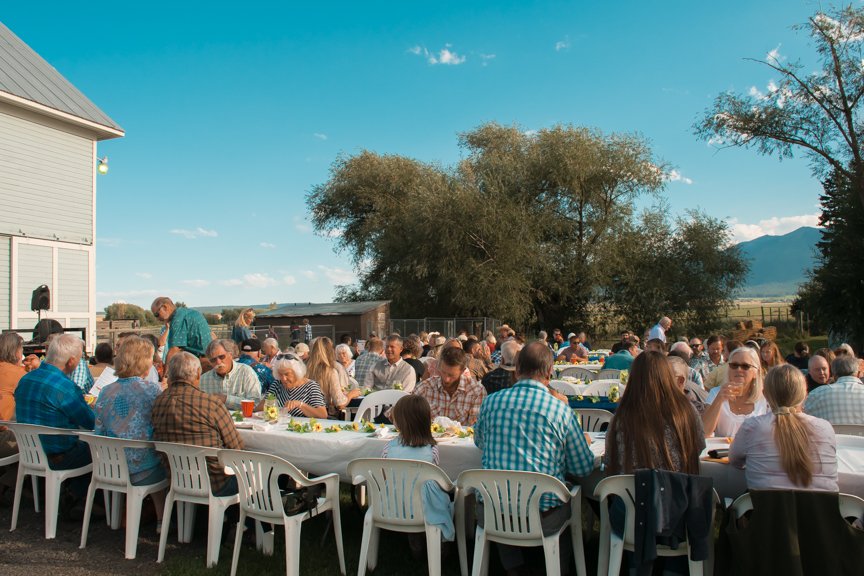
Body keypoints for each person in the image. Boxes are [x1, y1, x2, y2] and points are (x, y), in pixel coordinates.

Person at [474, 341, 594, 575]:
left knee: (502, 495)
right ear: (550, 373)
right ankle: (558, 567)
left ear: (517, 370)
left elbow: (479, 442)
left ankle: (513, 567)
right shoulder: (560, 410)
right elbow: (583, 467)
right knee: (565, 498)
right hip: (543, 515)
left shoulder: (490, 402)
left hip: (492, 510)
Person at [93, 336, 166, 527]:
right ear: (144, 361)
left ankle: (126, 516)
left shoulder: (105, 391)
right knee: (169, 463)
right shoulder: (152, 390)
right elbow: (161, 427)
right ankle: (163, 520)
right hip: (142, 469)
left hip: (110, 466)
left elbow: (99, 429)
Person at [729, 365, 837, 491]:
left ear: (765, 394)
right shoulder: (825, 428)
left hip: (766, 509)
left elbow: (735, 461)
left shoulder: (752, 427)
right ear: (805, 393)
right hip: (821, 510)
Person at [152, 352, 244, 496]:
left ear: (170, 375)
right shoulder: (210, 403)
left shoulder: (158, 402)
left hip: (177, 480)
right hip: (215, 483)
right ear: (197, 375)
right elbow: (236, 448)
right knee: (264, 474)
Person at [14, 334, 95, 497]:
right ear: (71, 361)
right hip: (59, 457)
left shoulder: (25, 379)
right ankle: (86, 500)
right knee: (102, 449)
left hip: (30, 453)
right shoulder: (65, 387)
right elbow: (90, 423)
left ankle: (73, 497)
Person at [606, 351, 705, 473]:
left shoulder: (622, 416)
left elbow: (610, 458)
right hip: (678, 487)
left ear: (633, 378)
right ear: (667, 376)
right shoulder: (686, 411)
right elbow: (699, 447)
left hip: (630, 490)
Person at [383, 395, 455, 549]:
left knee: (409, 491)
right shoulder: (432, 448)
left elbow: (384, 474)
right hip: (426, 505)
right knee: (445, 496)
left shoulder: (388, 447)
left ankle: (414, 537)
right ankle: (439, 541)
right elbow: (433, 476)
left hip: (394, 503)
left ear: (399, 423)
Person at [702, 346, 769, 437]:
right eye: (734, 365)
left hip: (754, 451)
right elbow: (704, 432)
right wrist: (719, 400)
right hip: (724, 451)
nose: (738, 370)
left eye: (745, 366)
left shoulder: (765, 398)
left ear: (755, 373)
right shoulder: (716, 393)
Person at [415, 346, 487, 426]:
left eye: (451, 375)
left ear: (462, 371)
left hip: (462, 438)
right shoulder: (425, 387)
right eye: (443, 372)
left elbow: (475, 428)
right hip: (428, 437)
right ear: (439, 366)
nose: (446, 379)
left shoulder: (476, 391)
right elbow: (408, 413)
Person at [90, 332, 160, 398]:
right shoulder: (113, 368)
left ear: (130, 348)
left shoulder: (149, 370)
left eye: (119, 346)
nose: (115, 349)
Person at [199, 339, 262, 410]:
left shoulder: (246, 373)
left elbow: (256, 404)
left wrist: (226, 400)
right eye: (213, 360)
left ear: (230, 355)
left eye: (221, 357)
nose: (218, 362)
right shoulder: (203, 380)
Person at [306, 337, 360, 418]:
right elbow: (340, 403)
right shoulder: (330, 371)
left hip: (308, 413)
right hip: (325, 415)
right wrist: (351, 394)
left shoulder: (307, 369)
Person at [804, 354, 864, 426]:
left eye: (824, 369)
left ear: (834, 375)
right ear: (858, 374)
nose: (821, 372)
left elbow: (803, 419)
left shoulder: (816, 394)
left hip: (831, 436)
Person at [150, 297, 212, 361]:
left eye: (157, 315)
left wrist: (167, 370)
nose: (157, 319)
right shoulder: (189, 313)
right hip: (209, 356)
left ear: (165, 307)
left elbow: (174, 350)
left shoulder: (177, 319)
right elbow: (212, 335)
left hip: (199, 361)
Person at [0, 333, 25, 490]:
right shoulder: (19, 375)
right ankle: (5, 483)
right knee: (36, 443)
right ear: (16, 351)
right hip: (3, 438)